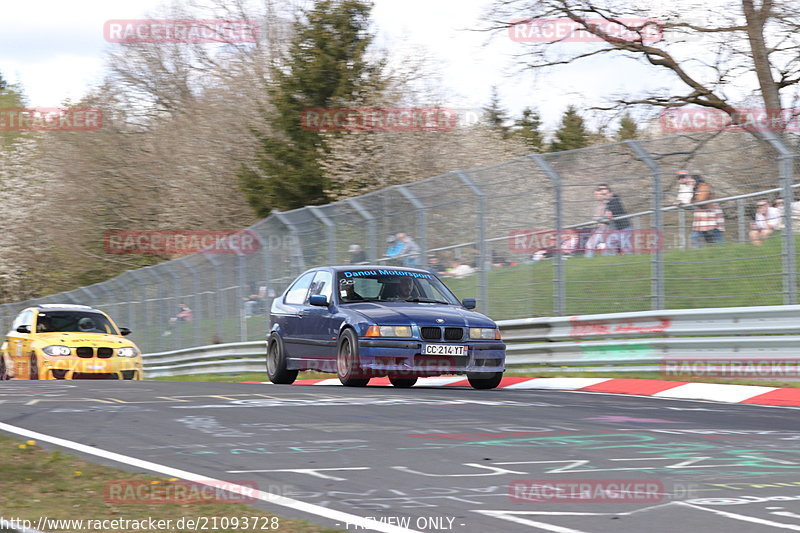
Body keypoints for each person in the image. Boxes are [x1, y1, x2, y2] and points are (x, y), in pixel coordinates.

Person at [675, 173, 724, 247]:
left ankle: (720, 249)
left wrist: (688, 201)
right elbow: (689, 200)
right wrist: (681, 202)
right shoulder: (692, 188)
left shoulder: (704, 186)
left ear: (696, 180)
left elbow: (700, 199)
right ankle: (703, 251)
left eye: (692, 181)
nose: (690, 183)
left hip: (710, 213)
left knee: (715, 233)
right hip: (701, 215)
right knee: (697, 235)